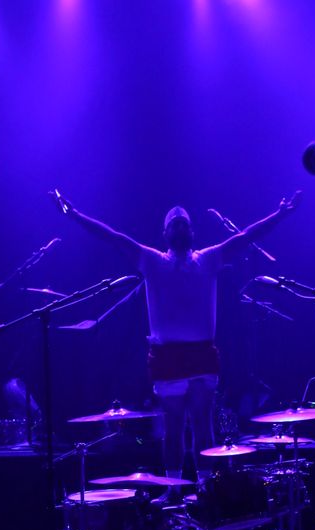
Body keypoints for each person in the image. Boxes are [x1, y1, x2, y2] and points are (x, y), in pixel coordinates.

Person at [55, 191, 300, 484]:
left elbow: (246, 236)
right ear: (165, 233)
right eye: (174, 224)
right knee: (173, 428)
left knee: (203, 425)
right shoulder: (152, 260)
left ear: (192, 232)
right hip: (167, 357)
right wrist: (75, 215)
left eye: (184, 223)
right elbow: (113, 237)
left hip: (202, 354)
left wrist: (280, 214)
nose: (180, 226)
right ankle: (174, 489)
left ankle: (205, 487)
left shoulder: (209, 259)